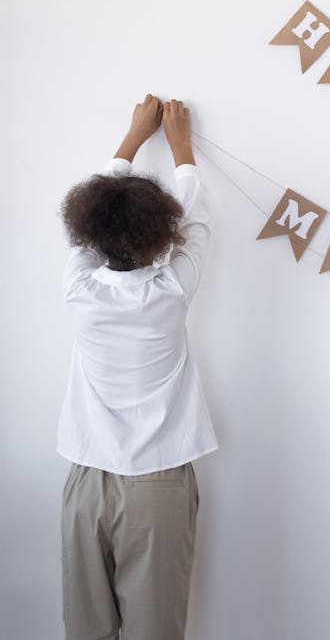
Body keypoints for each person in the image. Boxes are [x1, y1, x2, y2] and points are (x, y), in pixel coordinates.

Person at [57, 95, 218, 640]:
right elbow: (197, 220)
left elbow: (83, 230)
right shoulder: (172, 291)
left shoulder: (78, 290)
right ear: (160, 238)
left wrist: (130, 138)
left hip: (85, 483)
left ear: (90, 236)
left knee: (85, 631)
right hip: (158, 487)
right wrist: (182, 149)